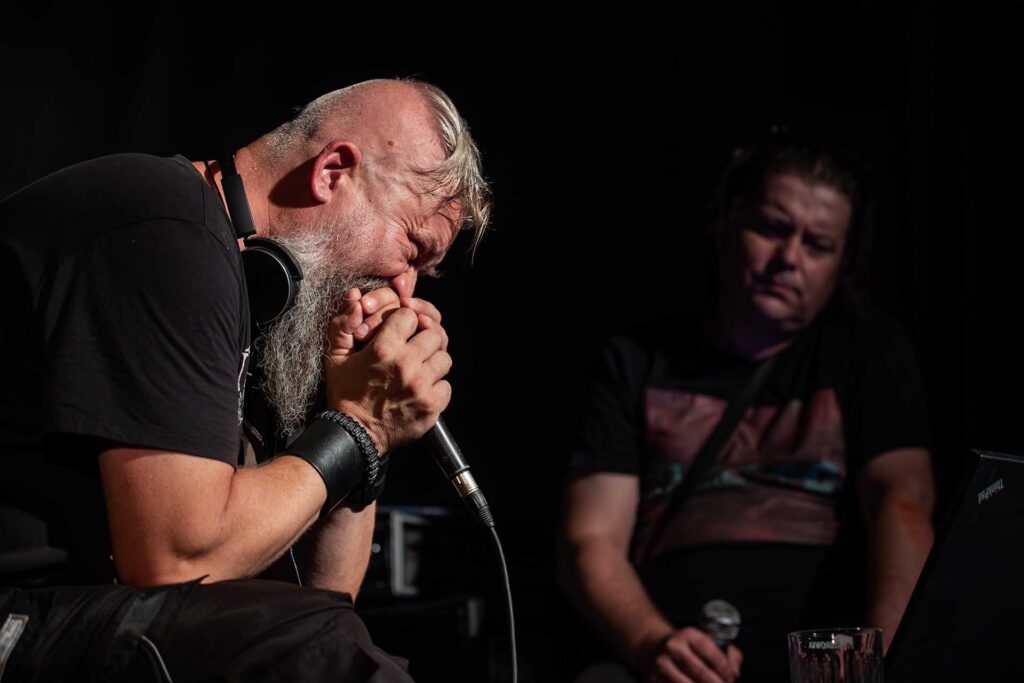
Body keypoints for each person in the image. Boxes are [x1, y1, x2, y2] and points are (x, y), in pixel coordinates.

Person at [0, 77, 490, 679]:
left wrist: (366, 434)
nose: (405, 290)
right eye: (413, 248)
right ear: (333, 172)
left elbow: (321, 595)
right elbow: (176, 557)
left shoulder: (268, 304)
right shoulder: (166, 225)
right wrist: (359, 426)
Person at [558, 139, 935, 682]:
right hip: (668, 658)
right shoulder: (637, 360)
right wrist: (652, 643)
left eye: (818, 245)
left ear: (844, 263)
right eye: (773, 229)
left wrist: (883, 663)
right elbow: (591, 537)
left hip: (827, 662)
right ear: (728, 221)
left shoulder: (869, 353)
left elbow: (903, 504)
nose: (790, 259)